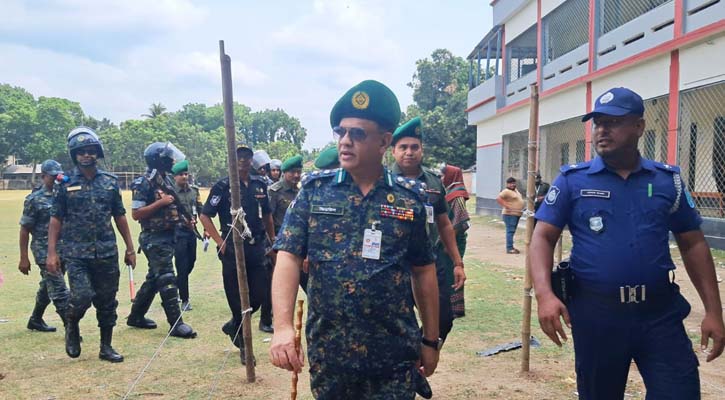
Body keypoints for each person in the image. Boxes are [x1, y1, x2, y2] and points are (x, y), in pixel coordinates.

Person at [531, 87, 725, 399]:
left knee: (680, 392)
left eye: (613, 122)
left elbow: (694, 244)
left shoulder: (666, 181)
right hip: (597, 315)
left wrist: (713, 311)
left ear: (639, 126)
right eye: (597, 123)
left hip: (659, 313)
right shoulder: (572, 180)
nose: (601, 130)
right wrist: (544, 295)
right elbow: (542, 236)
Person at [270, 80, 441, 399]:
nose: (345, 142)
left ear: (383, 141)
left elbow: (423, 271)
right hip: (331, 354)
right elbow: (288, 256)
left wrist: (431, 340)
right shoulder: (315, 192)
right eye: (341, 132)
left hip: (394, 356)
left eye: (357, 133)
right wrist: (281, 327)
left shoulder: (408, 201)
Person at [47, 127, 136, 362]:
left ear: (97, 154)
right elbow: (56, 219)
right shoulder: (64, 183)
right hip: (76, 253)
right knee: (82, 296)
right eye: (81, 152)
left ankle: (106, 347)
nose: (86, 155)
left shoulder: (110, 182)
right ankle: (71, 321)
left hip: (106, 251)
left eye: (91, 151)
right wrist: (51, 253)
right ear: (74, 155)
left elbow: (120, 215)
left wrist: (129, 247)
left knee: (107, 302)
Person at [390, 116, 466, 346]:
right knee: (398, 321)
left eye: (415, 147)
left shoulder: (434, 182)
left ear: (422, 150)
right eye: (403, 147)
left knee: (444, 317)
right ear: (393, 151)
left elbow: (444, 224)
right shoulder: (383, 182)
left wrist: (457, 262)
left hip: (431, 262)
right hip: (395, 263)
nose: (409, 152)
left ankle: (424, 348)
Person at [199, 144, 276, 362]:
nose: (243, 161)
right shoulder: (223, 187)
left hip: (257, 247)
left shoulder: (260, 185)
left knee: (260, 295)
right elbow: (206, 216)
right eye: (239, 157)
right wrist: (220, 242)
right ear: (232, 161)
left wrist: (272, 241)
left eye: (247, 157)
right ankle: (244, 347)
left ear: (252, 160)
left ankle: (233, 327)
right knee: (236, 299)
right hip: (233, 249)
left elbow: (268, 216)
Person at [125, 142, 197, 339]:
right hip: (153, 238)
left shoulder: (166, 181)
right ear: (159, 160)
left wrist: (187, 220)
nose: (172, 160)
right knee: (166, 277)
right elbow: (136, 214)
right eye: (168, 157)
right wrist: (160, 202)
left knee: (154, 279)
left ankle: (136, 316)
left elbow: (175, 206)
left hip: (169, 235)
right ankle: (176, 324)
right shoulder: (144, 183)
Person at [19, 159, 71, 332]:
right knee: (59, 289)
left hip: (64, 248)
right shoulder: (34, 199)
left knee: (47, 285)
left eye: (59, 175)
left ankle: (35, 319)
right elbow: (25, 229)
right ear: (43, 176)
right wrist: (24, 258)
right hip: (43, 249)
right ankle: (71, 330)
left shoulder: (64, 195)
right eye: (53, 176)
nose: (57, 179)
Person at [171, 159, 203, 311]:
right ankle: (184, 299)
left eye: (186, 174)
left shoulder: (194, 191)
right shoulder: (171, 193)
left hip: (192, 232)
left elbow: (200, 209)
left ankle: (177, 284)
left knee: (192, 260)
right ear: (175, 177)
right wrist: (183, 222)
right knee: (182, 266)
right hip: (178, 233)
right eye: (181, 175)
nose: (184, 177)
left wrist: (206, 229)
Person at [440, 164, 471, 319]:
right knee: (445, 271)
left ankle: (454, 308)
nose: (441, 178)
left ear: (450, 175)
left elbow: (460, 222)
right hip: (448, 239)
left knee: (453, 271)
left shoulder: (457, 194)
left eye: (443, 175)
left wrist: (448, 241)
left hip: (454, 240)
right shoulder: (448, 191)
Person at [496, 177, 524, 254]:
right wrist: (506, 206)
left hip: (516, 214)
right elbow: (498, 198)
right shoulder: (506, 191)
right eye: (511, 183)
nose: (512, 185)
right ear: (507, 184)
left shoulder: (515, 190)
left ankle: (511, 246)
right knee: (510, 231)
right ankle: (509, 248)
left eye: (514, 183)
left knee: (512, 231)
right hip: (509, 214)